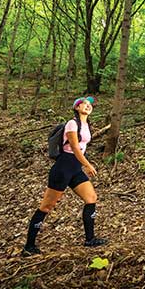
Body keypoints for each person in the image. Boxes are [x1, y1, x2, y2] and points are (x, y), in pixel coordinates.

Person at [23, 96, 107, 255]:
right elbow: (74, 147)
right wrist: (87, 165)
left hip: (74, 168)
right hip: (63, 168)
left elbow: (81, 148)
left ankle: (90, 239)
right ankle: (29, 246)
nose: (88, 106)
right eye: (84, 104)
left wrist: (82, 165)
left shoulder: (86, 125)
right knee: (47, 206)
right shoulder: (72, 123)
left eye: (90, 105)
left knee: (91, 198)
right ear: (76, 107)